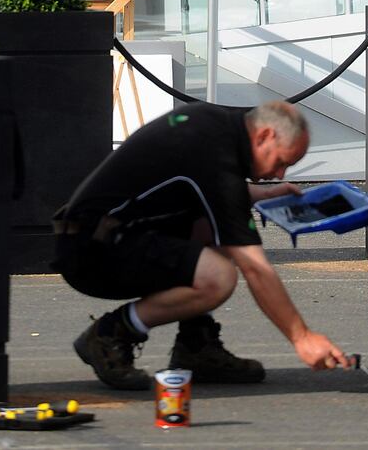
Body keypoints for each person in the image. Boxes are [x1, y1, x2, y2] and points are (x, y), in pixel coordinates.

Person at [52, 99, 352, 390]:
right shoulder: (217, 155)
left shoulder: (217, 126)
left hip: (104, 234)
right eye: (281, 162)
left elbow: (200, 187)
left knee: (215, 227)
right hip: (90, 252)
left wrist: (255, 195)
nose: (279, 174)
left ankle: (195, 346)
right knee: (218, 277)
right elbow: (255, 268)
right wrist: (302, 337)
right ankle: (110, 333)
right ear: (264, 135)